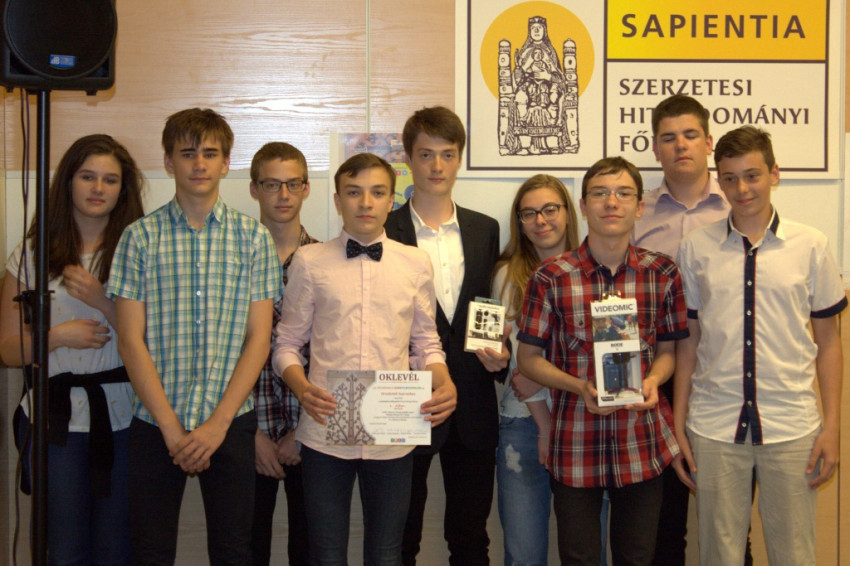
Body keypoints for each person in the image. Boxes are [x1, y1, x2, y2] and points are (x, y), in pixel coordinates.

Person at [107, 108, 279, 565]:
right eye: (187, 154)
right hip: (154, 422)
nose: (199, 164)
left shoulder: (253, 239)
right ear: (168, 162)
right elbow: (130, 340)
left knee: (233, 551)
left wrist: (217, 425)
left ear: (226, 163)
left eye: (210, 153)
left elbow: (259, 340)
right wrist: (170, 427)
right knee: (150, 551)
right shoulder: (139, 238)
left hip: (230, 420)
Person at [272, 152, 457, 565]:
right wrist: (301, 387)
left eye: (377, 192)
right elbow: (286, 344)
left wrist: (442, 380)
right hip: (324, 428)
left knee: (387, 554)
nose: (366, 203)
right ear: (337, 200)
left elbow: (426, 343)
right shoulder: (310, 261)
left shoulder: (415, 263)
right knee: (325, 554)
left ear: (392, 200)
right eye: (354, 193)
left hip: (393, 432)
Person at [673, 126, 846, 566]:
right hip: (713, 426)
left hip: (792, 425)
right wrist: (678, 424)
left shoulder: (811, 246)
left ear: (774, 174)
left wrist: (831, 427)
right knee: (719, 556)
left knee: (794, 556)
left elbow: (828, 342)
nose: (742, 189)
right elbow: (689, 344)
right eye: (730, 178)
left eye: (752, 175)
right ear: (720, 181)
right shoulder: (696, 248)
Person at [516, 157, 688, 565]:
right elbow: (528, 360)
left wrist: (653, 380)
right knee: (578, 559)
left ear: (639, 206)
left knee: (637, 558)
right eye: (600, 193)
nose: (612, 202)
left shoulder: (662, 273)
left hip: (642, 443)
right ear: (582, 205)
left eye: (623, 193)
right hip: (575, 443)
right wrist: (579, 387)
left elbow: (669, 352)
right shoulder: (551, 276)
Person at [0, 134, 145, 565]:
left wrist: (103, 301)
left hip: (124, 416)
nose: (98, 188)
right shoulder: (31, 254)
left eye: (110, 180)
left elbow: (157, 342)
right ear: (67, 182)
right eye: (87, 177)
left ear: (123, 189)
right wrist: (58, 336)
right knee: (63, 549)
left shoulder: (140, 250)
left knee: (117, 548)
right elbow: (7, 350)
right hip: (53, 419)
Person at [384, 106, 508, 566]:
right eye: (426, 154)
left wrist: (499, 352)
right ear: (408, 159)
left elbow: (486, 306)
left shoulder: (485, 229)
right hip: (406, 399)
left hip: (473, 400)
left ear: (459, 159)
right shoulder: (385, 229)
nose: (437, 166)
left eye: (448, 154)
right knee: (400, 537)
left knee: (471, 537)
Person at [631, 94, 731, 566]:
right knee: (663, 523)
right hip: (657, 375)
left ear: (708, 142)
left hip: (722, 375)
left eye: (690, 135)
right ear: (655, 149)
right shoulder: (638, 213)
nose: (680, 145)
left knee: (728, 524)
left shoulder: (737, 207)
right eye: (668, 138)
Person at [493, 174, 579, 566]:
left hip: (582, 423)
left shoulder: (593, 271)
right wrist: (494, 357)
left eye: (549, 209)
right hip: (522, 423)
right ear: (520, 222)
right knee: (524, 553)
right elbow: (517, 369)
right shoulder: (505, 276)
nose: (540, 220)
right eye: (529, 213)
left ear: (567, 213)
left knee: (585, 551)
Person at [249, 142, 317, 566]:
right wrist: (249, 434)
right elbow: (218, 353)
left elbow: (338, 353)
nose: (284, 195)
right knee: (245, 550)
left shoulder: (327, 260)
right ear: (254, 189)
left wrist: (304, 429)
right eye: (272, 184)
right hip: (244, 430)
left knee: (309, 550)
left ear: (307, 188)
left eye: (293, 184)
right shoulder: (232, 259)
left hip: (310, 431)